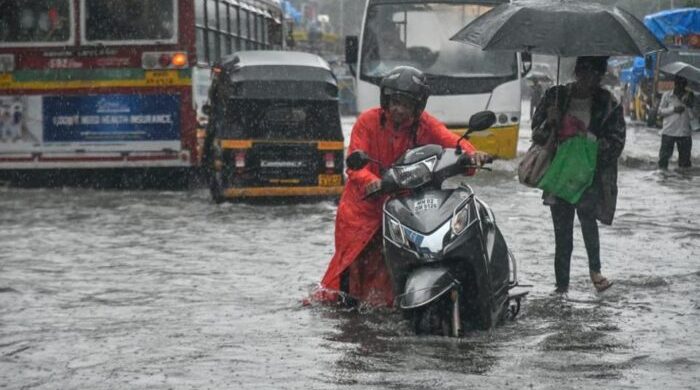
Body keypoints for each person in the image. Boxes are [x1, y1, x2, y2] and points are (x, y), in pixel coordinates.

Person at [316, 66, 489, 307]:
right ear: (386, 100)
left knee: (399, 260)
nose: (398, 109)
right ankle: (348, 310)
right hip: (362, 208)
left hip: (402, 206)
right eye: (395, 102)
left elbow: (453, 142)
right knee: (352, 267)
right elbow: (355, 165)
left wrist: (472, 155)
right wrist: (373, 182)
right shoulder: (367, 121)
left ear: (417, 107)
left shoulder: (425, 125)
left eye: (405, 104)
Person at [531, 56, 626, 294]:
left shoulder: (608, 103)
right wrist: (550, 123)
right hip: (560, 174)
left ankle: (595, 271)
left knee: (588, 221)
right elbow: (536, 133)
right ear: (576, 71)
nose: (587, 78)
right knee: (562, 235)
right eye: (583, 71)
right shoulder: (556, 96)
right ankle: (561, 287)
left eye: (593, 73)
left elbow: (616, 143)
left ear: (600, 75)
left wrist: (589, 144)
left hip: (590, 176)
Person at [657, 75, 694, 170]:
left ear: (684, 86)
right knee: (663, 161)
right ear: (675, 84)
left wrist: (689, 105)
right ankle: (663, 179)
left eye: (682, 85)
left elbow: (693, 117)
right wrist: (673, 109)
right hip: (668, 132)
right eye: (677, 84)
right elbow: (660, 112)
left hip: (684, 133)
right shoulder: (667, 95)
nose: (679, 87)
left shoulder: (690, 96)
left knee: (685, 163)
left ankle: (682, 181)